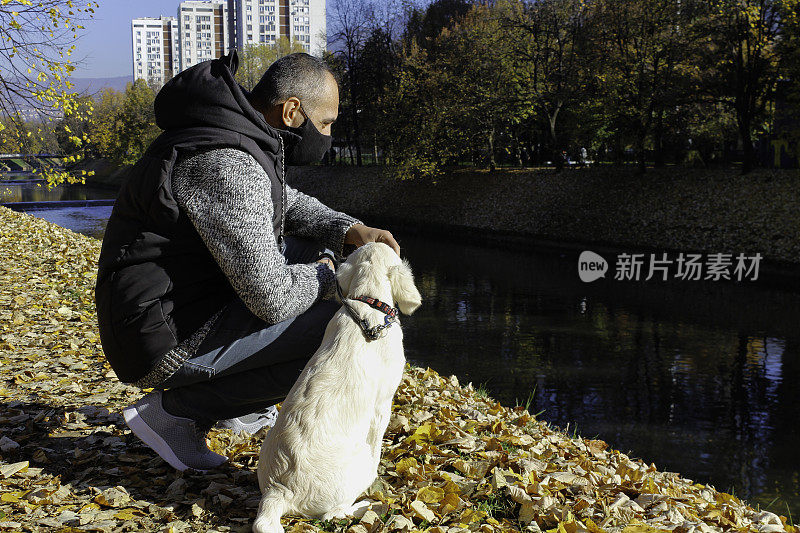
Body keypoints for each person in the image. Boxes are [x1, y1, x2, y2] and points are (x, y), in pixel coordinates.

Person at [94, 50, 400, 471]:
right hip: (159, 338)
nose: (328, 134)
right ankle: (176, 413)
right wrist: (335, 279)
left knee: (316, 249)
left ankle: (238, 402)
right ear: (293, 111)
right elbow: (271, 299)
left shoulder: (234, 133)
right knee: (342, 325)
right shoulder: (225, 159)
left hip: (172, 306)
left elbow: (279, 201)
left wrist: (348, 229)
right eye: (326, 123)